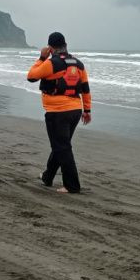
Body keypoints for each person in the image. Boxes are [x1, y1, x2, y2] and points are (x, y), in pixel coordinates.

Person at [26, 32, 91, 193]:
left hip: (58, 112)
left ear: (50, 47)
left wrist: (42, 58)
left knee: (62, 147)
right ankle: (47, 177)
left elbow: (31, 76)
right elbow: (85, 89)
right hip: (75, 111)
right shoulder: (78, 64)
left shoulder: (51, 63)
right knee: (60, 145)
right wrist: (87, 110)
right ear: (65, 45)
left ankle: (72, 186)